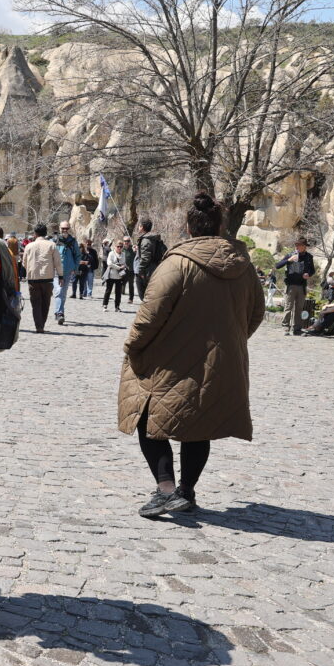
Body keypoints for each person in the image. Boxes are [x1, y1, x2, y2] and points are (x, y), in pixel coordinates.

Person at [118, 194, 264, 518]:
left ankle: (166, 489)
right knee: (200, 425)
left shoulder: (176, 264)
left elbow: (149, 315)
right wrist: (230, 343)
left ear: (187, 226)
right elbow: (256, 313)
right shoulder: (243, 266)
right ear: (220, 226)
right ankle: (186, 491)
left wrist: (133, 346)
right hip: (221, 363)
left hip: (171, 362)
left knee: (145, 417)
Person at [22, 223, 61, 333]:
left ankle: (38, 326)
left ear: (35, 233)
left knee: (35, 304)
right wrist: (61, 276)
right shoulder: (52, 245)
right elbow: (58, 262)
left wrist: (31, 269)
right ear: (45, 233)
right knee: (45, 303)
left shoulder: (29, 246)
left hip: (33, 279)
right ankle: (42, 325)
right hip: (47, 279)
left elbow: (24, 262)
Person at [275, 237, 315, 336]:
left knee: (299, 308)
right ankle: (285, 327)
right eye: (296, 245)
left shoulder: (309, 257)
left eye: (299, 245)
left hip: (302, 286)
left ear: (304, 246)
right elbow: (278, 265)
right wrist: (288, 260)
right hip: (290, 285)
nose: (297, 247)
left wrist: (308, 274)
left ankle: (297, 329)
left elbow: (312, 270)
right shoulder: (290, 255)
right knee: (288, 307)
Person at [53, 221, 79, 324]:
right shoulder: (54, 240)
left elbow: (77, 255)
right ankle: (60, 313)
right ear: (60, 228)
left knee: (63, 293)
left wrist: (75, 268)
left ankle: (57, 312)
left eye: (66, 228)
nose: (65, 230)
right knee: (59, 291)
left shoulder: (73, 242)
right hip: (56, 271)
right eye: (63, 228)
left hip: (68, 271)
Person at [134, 219, 164, 301]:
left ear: (142, 227)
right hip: (151, 270)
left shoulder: (146, 240)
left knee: (144, 297)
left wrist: (140, 271)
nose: (138, 228)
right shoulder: (150, 239)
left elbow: (145, 258)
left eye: (139, 226)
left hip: (145, 272)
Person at [102, 240, 126, 311]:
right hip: (111, 275)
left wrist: (122, 266)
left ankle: (117, 306)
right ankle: (105, 305)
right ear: (115, 247)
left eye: (121, 247)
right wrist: (118, 267)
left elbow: (124, 263)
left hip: (119, 276)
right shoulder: (111, 253)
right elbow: (109, 263)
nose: (119, 248)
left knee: (118, 292)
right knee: (108, 291)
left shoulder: (123, 254)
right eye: (118, 246)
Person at [121, 237, 137, 302]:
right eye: (125, 241)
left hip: (131, 270)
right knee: (121, 283)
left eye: (127, 241)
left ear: (129, 242)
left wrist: (136, 251)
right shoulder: (122, 249)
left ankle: (131, 298)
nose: (126, 242)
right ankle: (119, 296)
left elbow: (138, 256)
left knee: (131, 284)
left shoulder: (133, 249)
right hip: (123, 269)